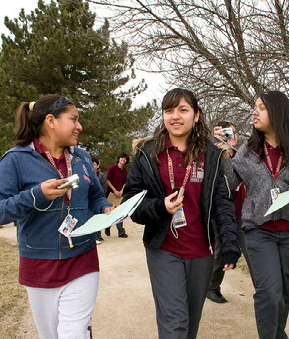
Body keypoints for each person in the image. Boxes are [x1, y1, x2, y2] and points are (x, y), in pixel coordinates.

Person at [0, 94, 113, 339]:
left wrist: (106, 209)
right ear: (51, 121)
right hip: (39, 265)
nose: (80, 126)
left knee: (73, 334)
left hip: (82, 259)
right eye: (73, 119)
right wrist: (37, 195)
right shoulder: (15, 159)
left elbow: (96, 197)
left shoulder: (83, 158)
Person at [122, 88, 241, 339]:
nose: (175, 116)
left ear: (196, 115)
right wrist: (160, 207)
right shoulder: (147, 153)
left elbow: (222, 202)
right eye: (169, 111)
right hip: (163, 248)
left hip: (202, 251)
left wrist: (230, 243)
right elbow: (130, 203)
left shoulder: (212, 154)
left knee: (191, 321)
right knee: (174, 320)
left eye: (183, 110)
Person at [218, 91, 289, 339]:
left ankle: (277, 334)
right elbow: (231, 182)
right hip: (258, 229)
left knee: (285, 291)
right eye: (254, 107)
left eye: (261, 108)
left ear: (277, 112)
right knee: (269, 291)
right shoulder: (248, 149)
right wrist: (225, 152)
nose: (255, 112)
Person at [207, 121, 248, 304]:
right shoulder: (211, 155)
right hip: (219, 212)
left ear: (236, 136)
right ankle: (212, 287)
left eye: (228, 133)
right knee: (220, 250)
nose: (224, 137)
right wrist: (218, 147)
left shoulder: (242, 156)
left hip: (241, 212)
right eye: (219, 133)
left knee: (247, 249)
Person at [104, 153, 129, 238]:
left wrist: (121, 191)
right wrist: (114, 190)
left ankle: (121, 232)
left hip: (120, 195)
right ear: (119, 158)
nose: (123, 160)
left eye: (125, 159)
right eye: (122, 158)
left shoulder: (125, 171)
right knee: (110, 212)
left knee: (120, 212)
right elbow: (107, 179)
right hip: (111, 194)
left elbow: (125, 182)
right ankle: (107, 227)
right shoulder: (112, 168)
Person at [92, 157, 108, 244]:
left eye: (94, 164)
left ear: (98, 166)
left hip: (98, 199)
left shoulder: (101, 176)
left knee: (98, 218)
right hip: (89, 200)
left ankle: (98, 235)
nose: (92, 166)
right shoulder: (87, 175)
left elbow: (104, 187)